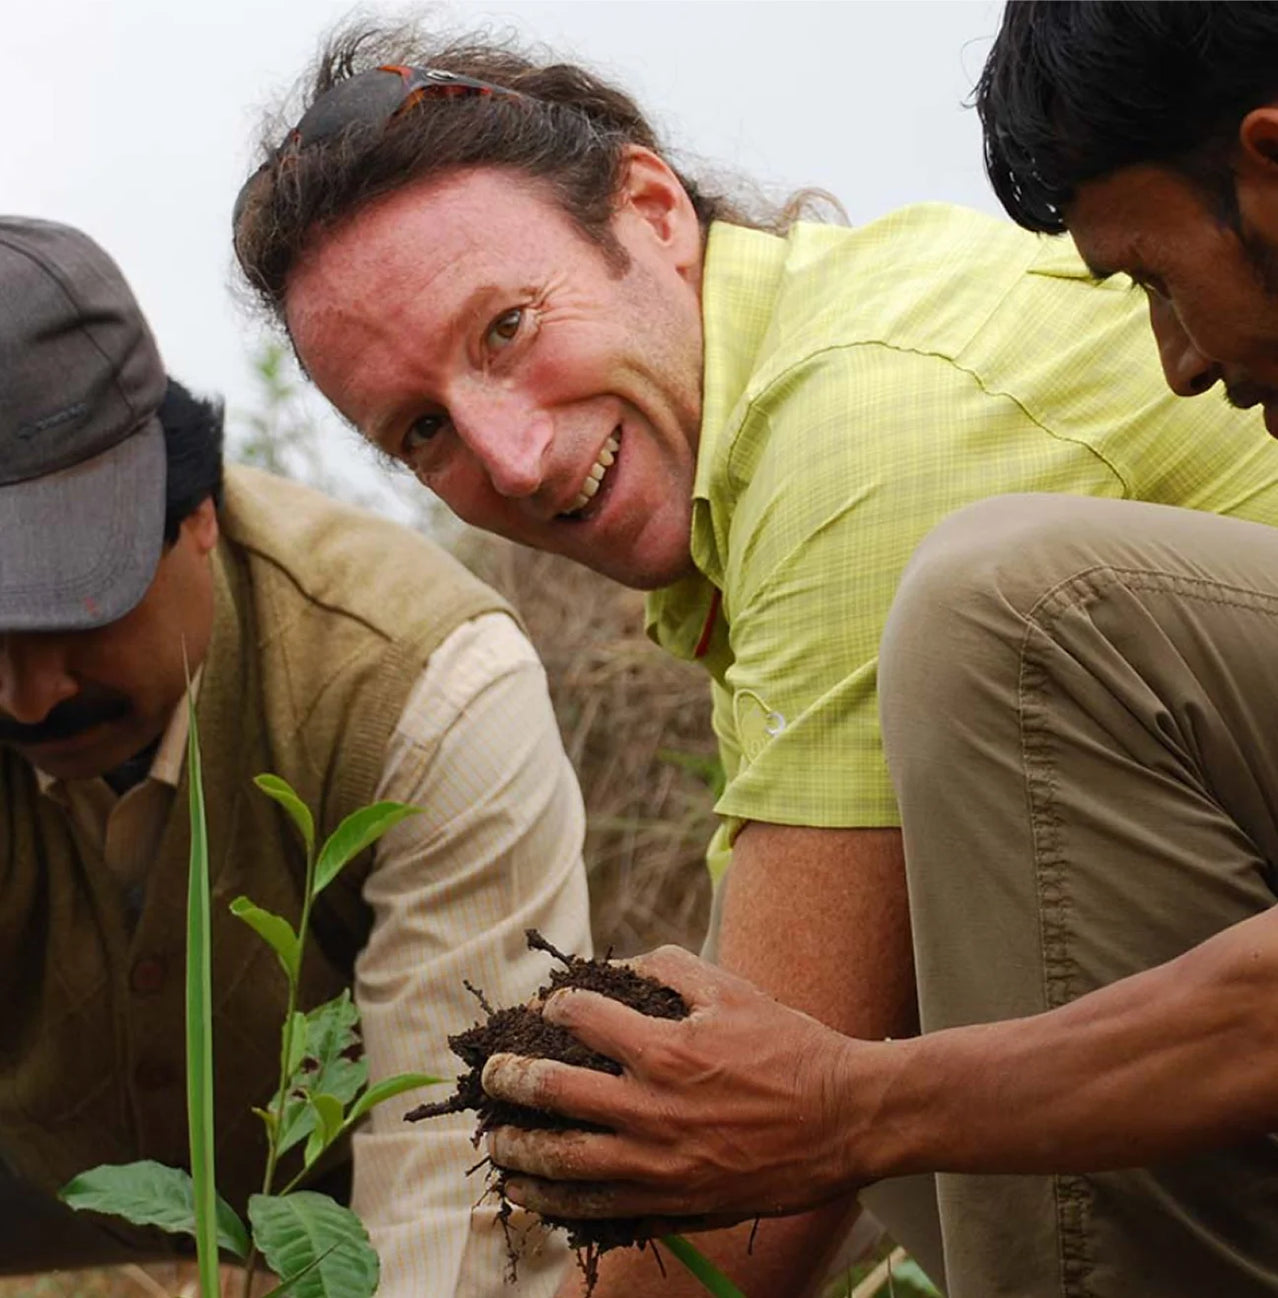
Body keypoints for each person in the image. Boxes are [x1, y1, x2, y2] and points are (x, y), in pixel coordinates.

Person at [231, 20, 1278, 1297]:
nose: (507, 460)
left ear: (654, 210)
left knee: (814, 1047)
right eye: (423, 432)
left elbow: (736, 1208)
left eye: (505, 327)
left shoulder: (862, 427)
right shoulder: (809, 381)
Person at [0, 216, 590, 1297]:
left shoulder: (421, 687)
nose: (29, 694)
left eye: (75, 614)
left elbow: (454, 1215)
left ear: (197, 516)